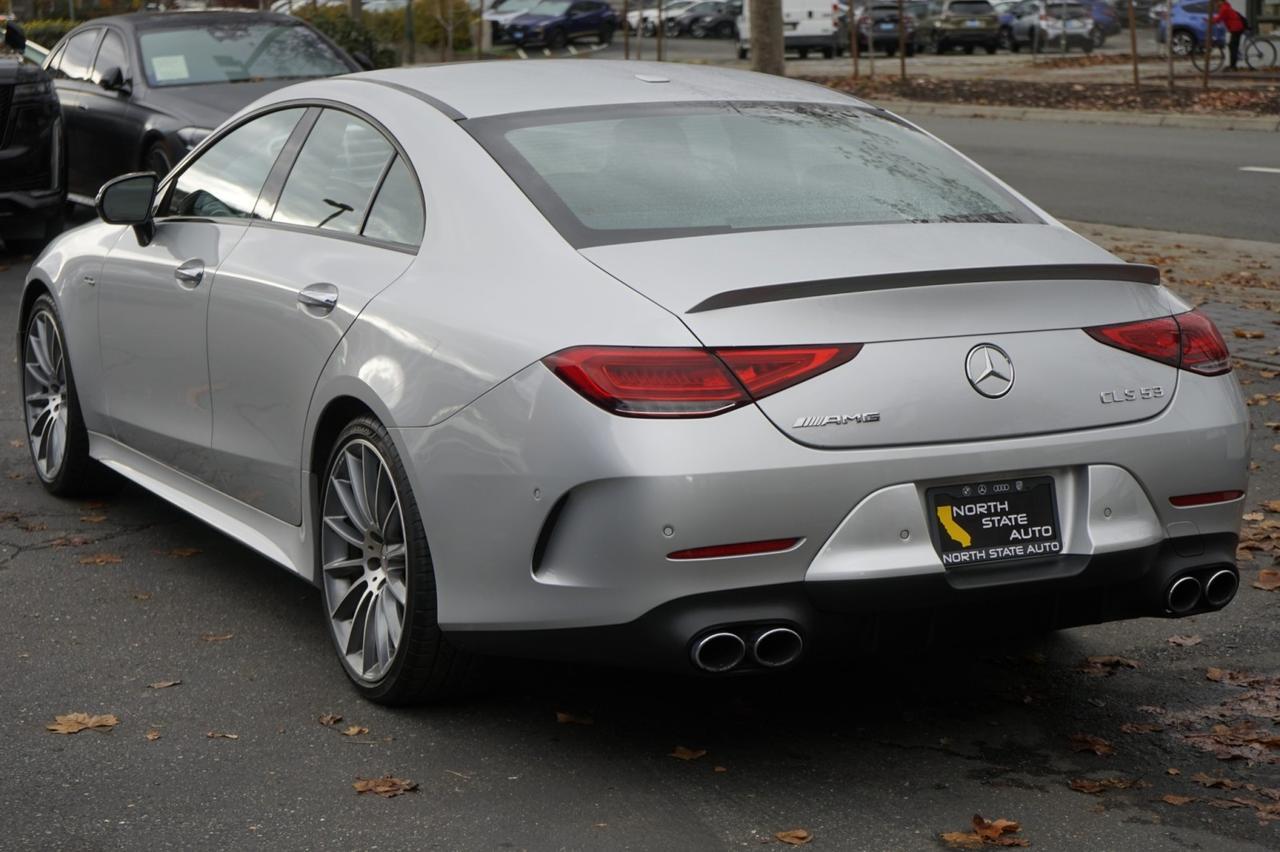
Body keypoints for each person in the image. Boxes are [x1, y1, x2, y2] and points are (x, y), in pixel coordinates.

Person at [1212, 0, 1248, 70]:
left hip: (1236, 28)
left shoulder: (1224, 8)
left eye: (1216, 2)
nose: (1215, 4)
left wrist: (1209, 21)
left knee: (1232, 46)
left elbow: (1218, 19)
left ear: (1220, 1)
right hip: (1236, 27)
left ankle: (1233, 66)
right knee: (1233, 46)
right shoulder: (1225, 6)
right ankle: (1233, 65)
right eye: (1215, 2)